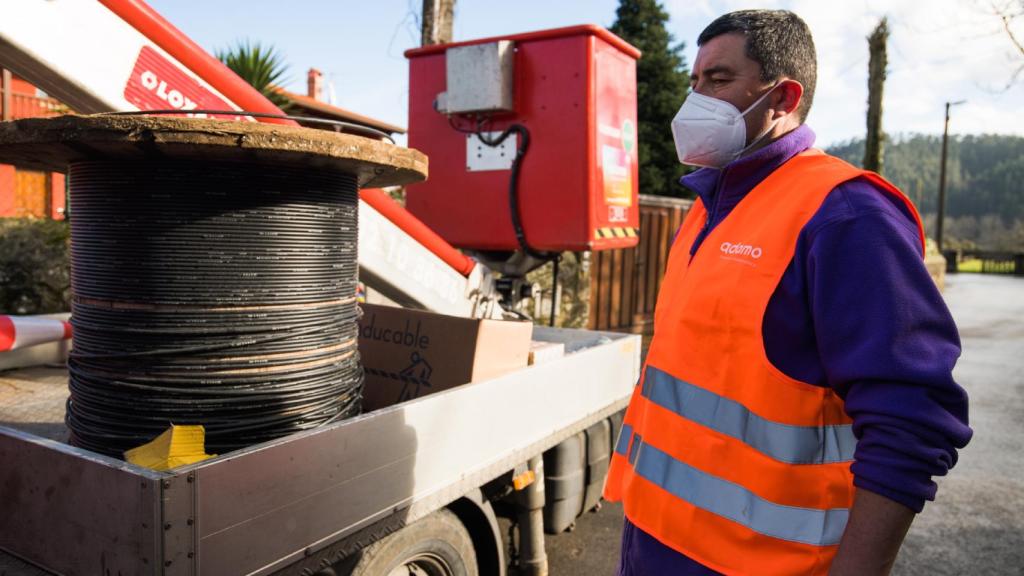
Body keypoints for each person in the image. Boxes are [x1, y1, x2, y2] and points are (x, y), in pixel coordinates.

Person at [603, 9, 972, 576]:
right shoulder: (708, 209)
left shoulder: (847, 216)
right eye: (694, 80)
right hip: (655, 543)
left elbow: (911, 420)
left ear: (782, 97)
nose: (695, 98)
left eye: (718, 80)